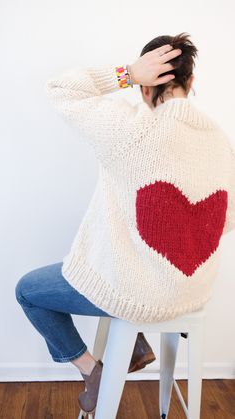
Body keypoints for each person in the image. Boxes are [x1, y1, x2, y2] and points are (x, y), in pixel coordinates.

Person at [15, 32, 235, 416]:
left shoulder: (130, 129)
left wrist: (128, 73)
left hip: (134, 292)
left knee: (27, 291)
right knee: (113, 268)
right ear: (192, 82)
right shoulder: (219, 139)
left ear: (145, 86)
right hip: (191, 294)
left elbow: (61, 88)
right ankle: (135, 343)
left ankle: (92, 372)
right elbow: (226, 218)